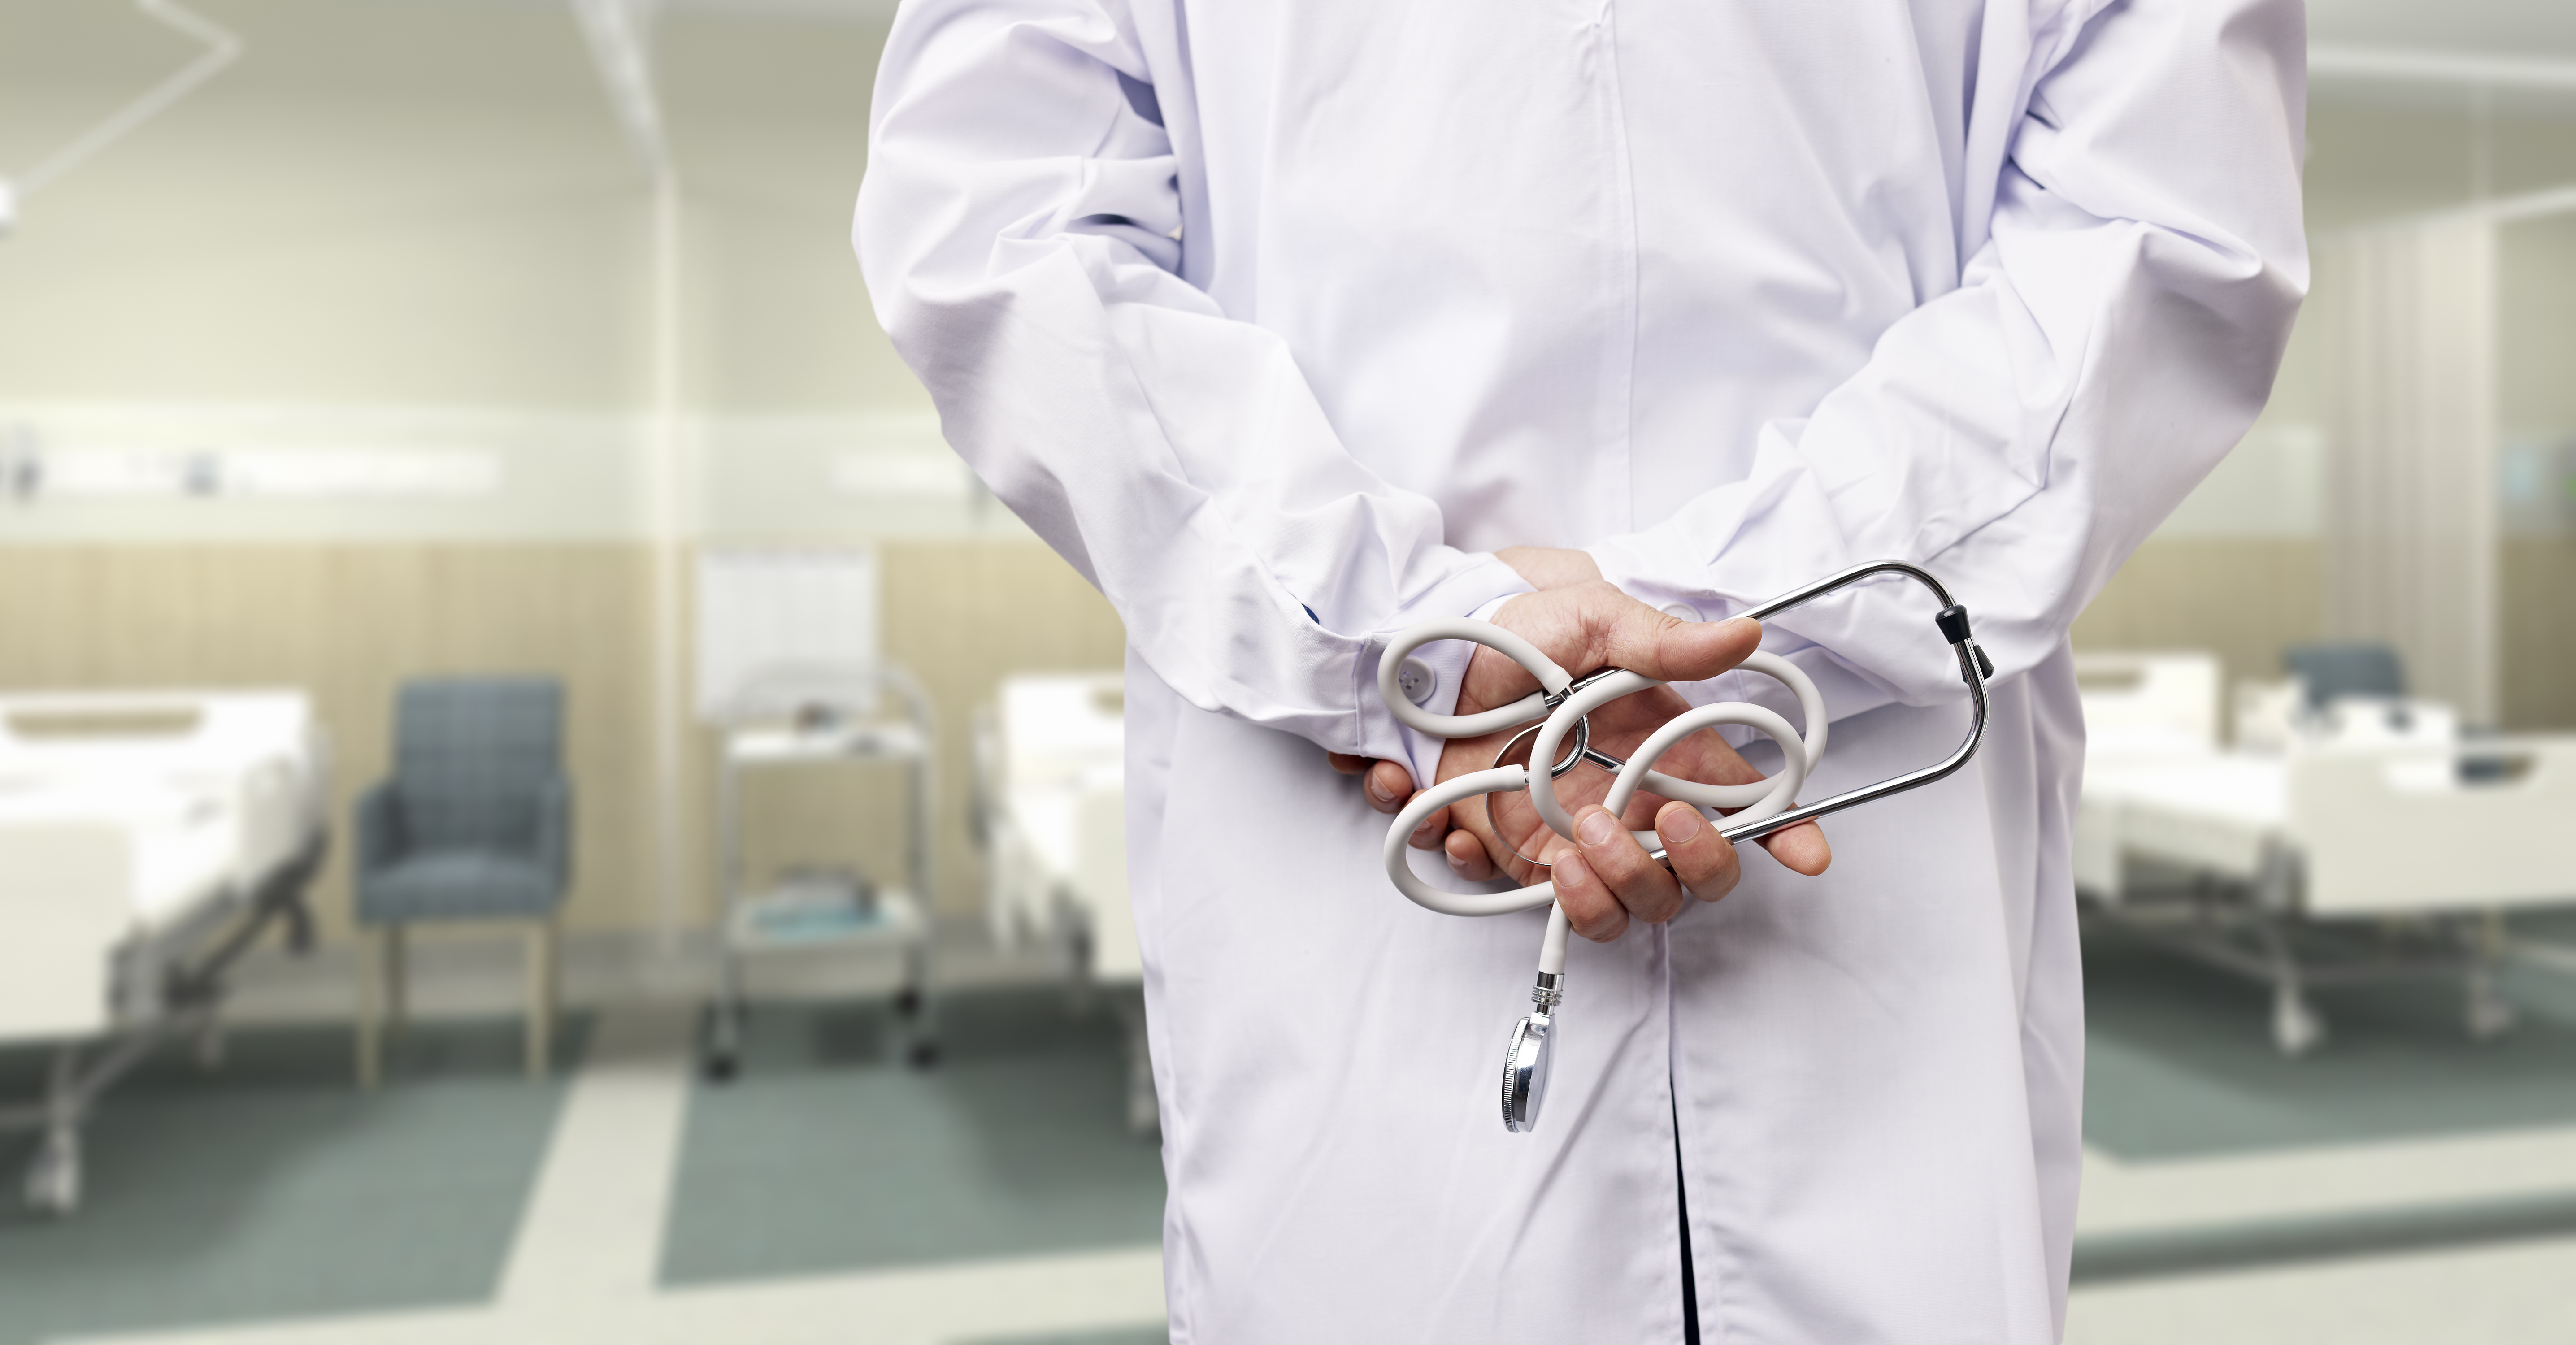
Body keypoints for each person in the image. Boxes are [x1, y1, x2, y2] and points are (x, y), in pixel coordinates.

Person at [853, 0, 2303, 1340]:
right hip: (1402, 863)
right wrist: (1420, 627)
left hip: (1841, 868)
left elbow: (2161, 240)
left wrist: (1485, 652)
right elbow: (1000, 233)